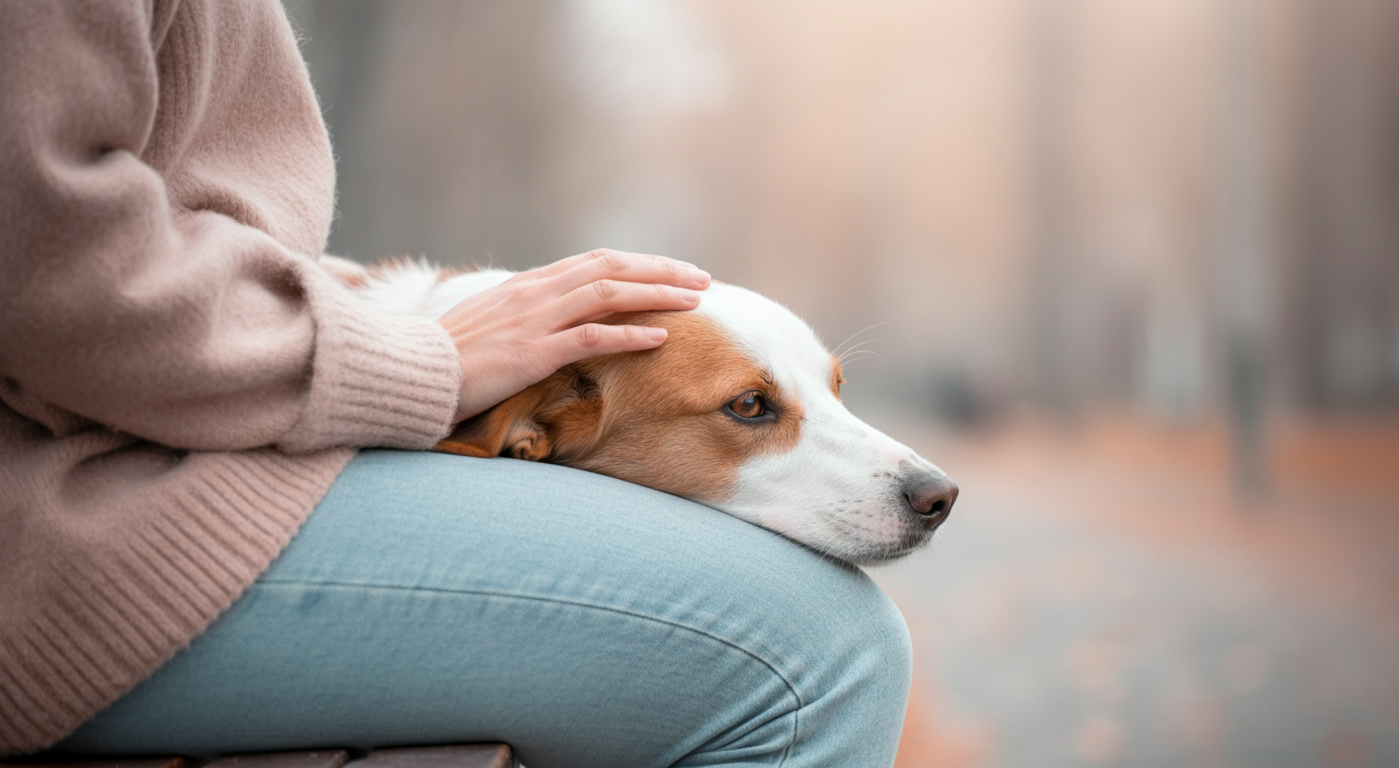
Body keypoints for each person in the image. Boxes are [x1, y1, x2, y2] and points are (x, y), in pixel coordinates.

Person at [0, 2, 912, 765]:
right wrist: (422, 365)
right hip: (67, 516)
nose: (914, 476)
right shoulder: (509, 412)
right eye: (754, 410)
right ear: (529, 432)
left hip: (157, 441)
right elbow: (53, 261)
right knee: (826, 654)